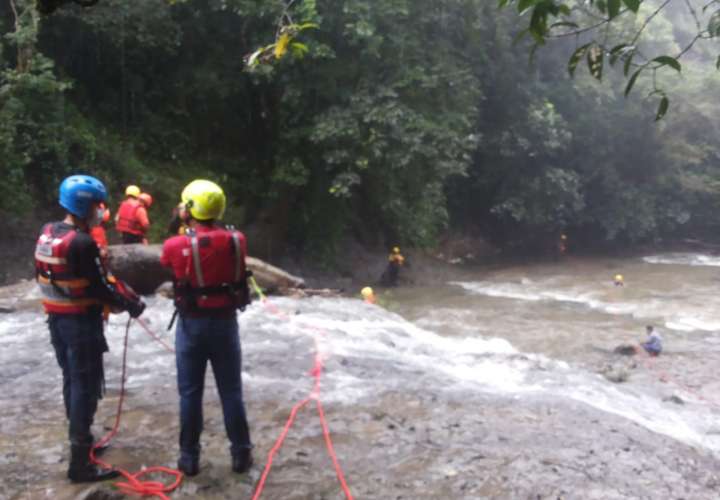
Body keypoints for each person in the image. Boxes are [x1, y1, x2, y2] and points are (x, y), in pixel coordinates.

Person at [35, 175, 146, 483]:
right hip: (81, 324)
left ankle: (80, 440)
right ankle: (80, 462)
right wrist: (131, 304)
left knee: (72, 381)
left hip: (57, 322)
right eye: (98, 205)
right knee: (85, 387)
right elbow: (100, 288)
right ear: (85, 206)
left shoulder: (47, 232)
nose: (101, 211)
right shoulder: (82, 242)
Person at [160, 179, 253, 476]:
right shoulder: (238, 239)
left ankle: (189, 458)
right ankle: (241, 454)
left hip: (192, 326)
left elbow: (167, 262)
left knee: (190, 393)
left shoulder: (175, 244)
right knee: (231, 392)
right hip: (225, 323)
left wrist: (179, 223)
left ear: (189, 209)